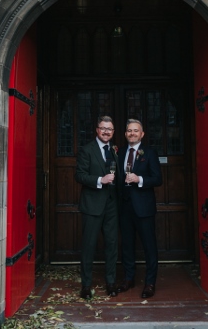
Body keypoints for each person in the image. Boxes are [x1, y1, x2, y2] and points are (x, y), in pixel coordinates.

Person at [116, 119, 162, 299]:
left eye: (136, 130)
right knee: (127, 245)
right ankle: (129, 278)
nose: (132, 133)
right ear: (126, 133)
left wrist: (139, 179)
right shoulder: (119, 153)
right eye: (129, 130)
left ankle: (150, 283)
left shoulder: (149, 153)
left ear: (142, 134)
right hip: (124, 207)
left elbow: (158, 179)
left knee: (149, 246)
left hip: (144, 208)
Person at [74, 115, 119, 299]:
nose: (106, 131)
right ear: (97, 130)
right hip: (92, 205)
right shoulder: (87, 150)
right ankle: (86, 285)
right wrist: (100, 180)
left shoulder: (115, 150)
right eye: (103, 128)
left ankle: (111, 282)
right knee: (89, 246)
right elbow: (79, 176)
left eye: (109, 129)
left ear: (113, 132)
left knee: (111, 245)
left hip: (111, 206)